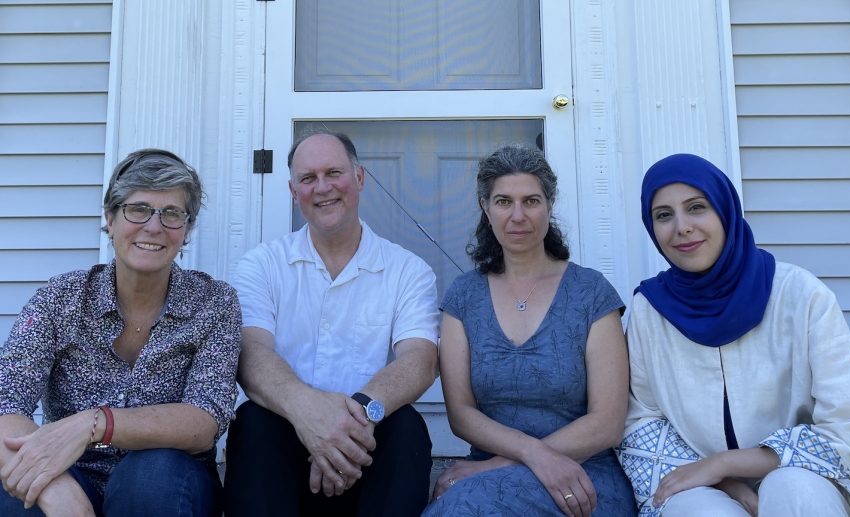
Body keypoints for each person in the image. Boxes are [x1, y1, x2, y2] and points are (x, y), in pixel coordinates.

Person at [0, 149, 242, 517]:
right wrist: (55, 488)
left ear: (187, 229)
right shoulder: (61, 299)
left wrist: (93, 424)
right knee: (22, 488)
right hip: (74, 473)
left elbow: (204, 420)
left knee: (149, 476)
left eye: (172, 214)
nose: (154, 226)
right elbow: (6, 401)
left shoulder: (214, 303)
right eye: (138, 209)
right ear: (110, 219)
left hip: (170, 482)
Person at [617, 153, 850, 516]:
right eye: (664, 215)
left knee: (795, 491)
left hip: (803, 470)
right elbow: (640, 420)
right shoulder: (649, 310)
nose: (681, 227)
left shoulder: (799, 295)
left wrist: (726, 463)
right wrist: (718, 478)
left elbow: (849, 425)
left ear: (725, 210)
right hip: (694, 481)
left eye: (697, 207)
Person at [223, 129, 439, 517]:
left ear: (358, 178)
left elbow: (419, 360)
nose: (322, 188)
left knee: (406, 426)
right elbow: (250, 352)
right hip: (283, 450)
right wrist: (309, 414)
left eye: (333, 173)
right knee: (253, 422)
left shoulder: (408, 270)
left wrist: (351, 422)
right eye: (308, 179)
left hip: (368, 448)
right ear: (293, 191)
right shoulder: (262, 265)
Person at [423, 144, 637, 517]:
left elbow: (607, 424)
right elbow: (460, 413)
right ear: (484, 207)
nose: (518, 216)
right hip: (487, 474)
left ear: (550, 205)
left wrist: (502, 465)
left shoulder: (591, 293)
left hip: (582, 474)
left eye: (531, 201)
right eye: (504, 201)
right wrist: (531, 455)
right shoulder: (464, 296)